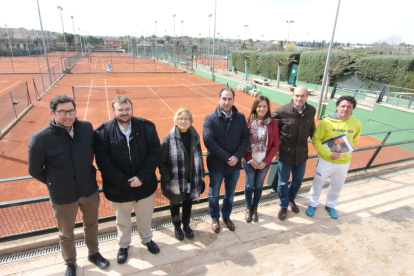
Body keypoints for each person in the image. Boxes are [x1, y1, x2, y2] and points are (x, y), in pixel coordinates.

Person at [28, 95, 109, 276]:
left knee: (92, 224)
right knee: (66, 232)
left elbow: (96, 153)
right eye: (62, 112)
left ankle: (94, 254)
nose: (68, 116)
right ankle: (70, 263)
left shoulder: (86, 128)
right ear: (52, 113)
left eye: (71, 111)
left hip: (88, 190)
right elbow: (34, 169)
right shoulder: (40, 138)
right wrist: (55, 182)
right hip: (62, 195)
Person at [94, 96, 161, 265]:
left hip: (144, 185)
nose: (124, 113)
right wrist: (126, 182)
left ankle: (147, 239)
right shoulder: (102, 132)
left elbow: (154, 153)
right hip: (118, 188)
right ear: (114, 111)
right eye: (120, 110)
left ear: (132, 109)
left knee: (145, 217)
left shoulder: (147, 127)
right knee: (122, 219)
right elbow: (104, 163)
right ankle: (123, 246)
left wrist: (141, 177)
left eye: (127, 109)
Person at [203, 87, 250, 233]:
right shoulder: (210, 118)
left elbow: (246, 138)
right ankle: (215, 218)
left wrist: (236, 157)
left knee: (230, 194)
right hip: (217, 165)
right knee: (214, 194)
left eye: (230, 99)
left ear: (234, 100)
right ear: (219, 99)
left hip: (234, 166)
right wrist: (227, 157)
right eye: (224, 98)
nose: (227, 101)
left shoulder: (241, 117)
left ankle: (226, 216)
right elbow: (209, 141)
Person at [306, 96, 361, 219]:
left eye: (349, 107)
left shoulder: (356, 123)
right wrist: (329, 154)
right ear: (337, 106)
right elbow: (316, 140)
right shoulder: (326, 122)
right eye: (343, 106)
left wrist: (341, 151)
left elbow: (354, 139)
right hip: (326, 160)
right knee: (318, 182)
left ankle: (330, 205)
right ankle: (313, 203)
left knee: (337, 185)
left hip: (344, 161)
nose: (345, 109)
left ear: (352, 109)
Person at [159, 108, 205, 241]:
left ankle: (186, 225)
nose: (183, 121)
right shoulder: (168, 139)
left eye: (186, 118)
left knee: (188, 203)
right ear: (176, 121)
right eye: (180, 118)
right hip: (176, 181)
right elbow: (161, 162)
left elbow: (199, 157)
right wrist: (168, 178)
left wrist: (200, 175)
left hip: (192, 178)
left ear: (191, 121)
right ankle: (177, 226)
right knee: (175, 204)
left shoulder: (195, 136)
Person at [271, 86, 316, 221]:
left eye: (302, 96)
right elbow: (270, 130)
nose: (299, 98)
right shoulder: (280, 111)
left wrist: (320, 143)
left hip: (301, 154)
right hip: (285, 154)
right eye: (297, 95)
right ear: (292, 95)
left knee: (298, 181)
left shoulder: (311, 110)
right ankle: (284, 205)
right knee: (283, 183)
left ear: (307, 97)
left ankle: (291, 199)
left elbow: (312, 129)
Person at [243, 96, 279, 222]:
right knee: (249, 186)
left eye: (264, 106)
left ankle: (255, 208)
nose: (261, 109)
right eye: (259, 106)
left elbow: (275, 144)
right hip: (250, 161)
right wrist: (250, 160)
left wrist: (266, 161)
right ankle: (248, 207)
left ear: (268, 108)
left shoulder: (273, 123)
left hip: (264, 163)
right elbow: (242, 143)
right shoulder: (248, 122)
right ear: (255, 107)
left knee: (258, 186)